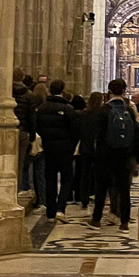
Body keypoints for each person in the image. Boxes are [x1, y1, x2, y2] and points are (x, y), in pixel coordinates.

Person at [89, 78, 138, 233]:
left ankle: (96, 219)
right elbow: (136, 134)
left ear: (109, 91)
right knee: (124, 189)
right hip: (123, 155)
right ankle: (124, 222)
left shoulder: (103, 111)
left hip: (105, 154)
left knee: (102, 187)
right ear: (124, 91)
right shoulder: (129, 111)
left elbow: (96, 134)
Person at [35, 79, 81, 222]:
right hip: (65, 149)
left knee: (50, 179)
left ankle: (50, 212)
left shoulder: (42, 108)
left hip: (48, 148)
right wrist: (71, 146)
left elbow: (37, 127)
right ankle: (60, 208)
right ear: (62, 90)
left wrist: (46, 140)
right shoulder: (68, 108)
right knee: (67, 179)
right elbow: (75, 130)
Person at [74, 90, 104, 208]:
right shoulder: (102, 114)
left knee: (85, 175)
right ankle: (97, 198)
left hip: (85, 148)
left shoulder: (83, 115)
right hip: (98, 148)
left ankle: (84, 200)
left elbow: (78, 131)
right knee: (98, 176)